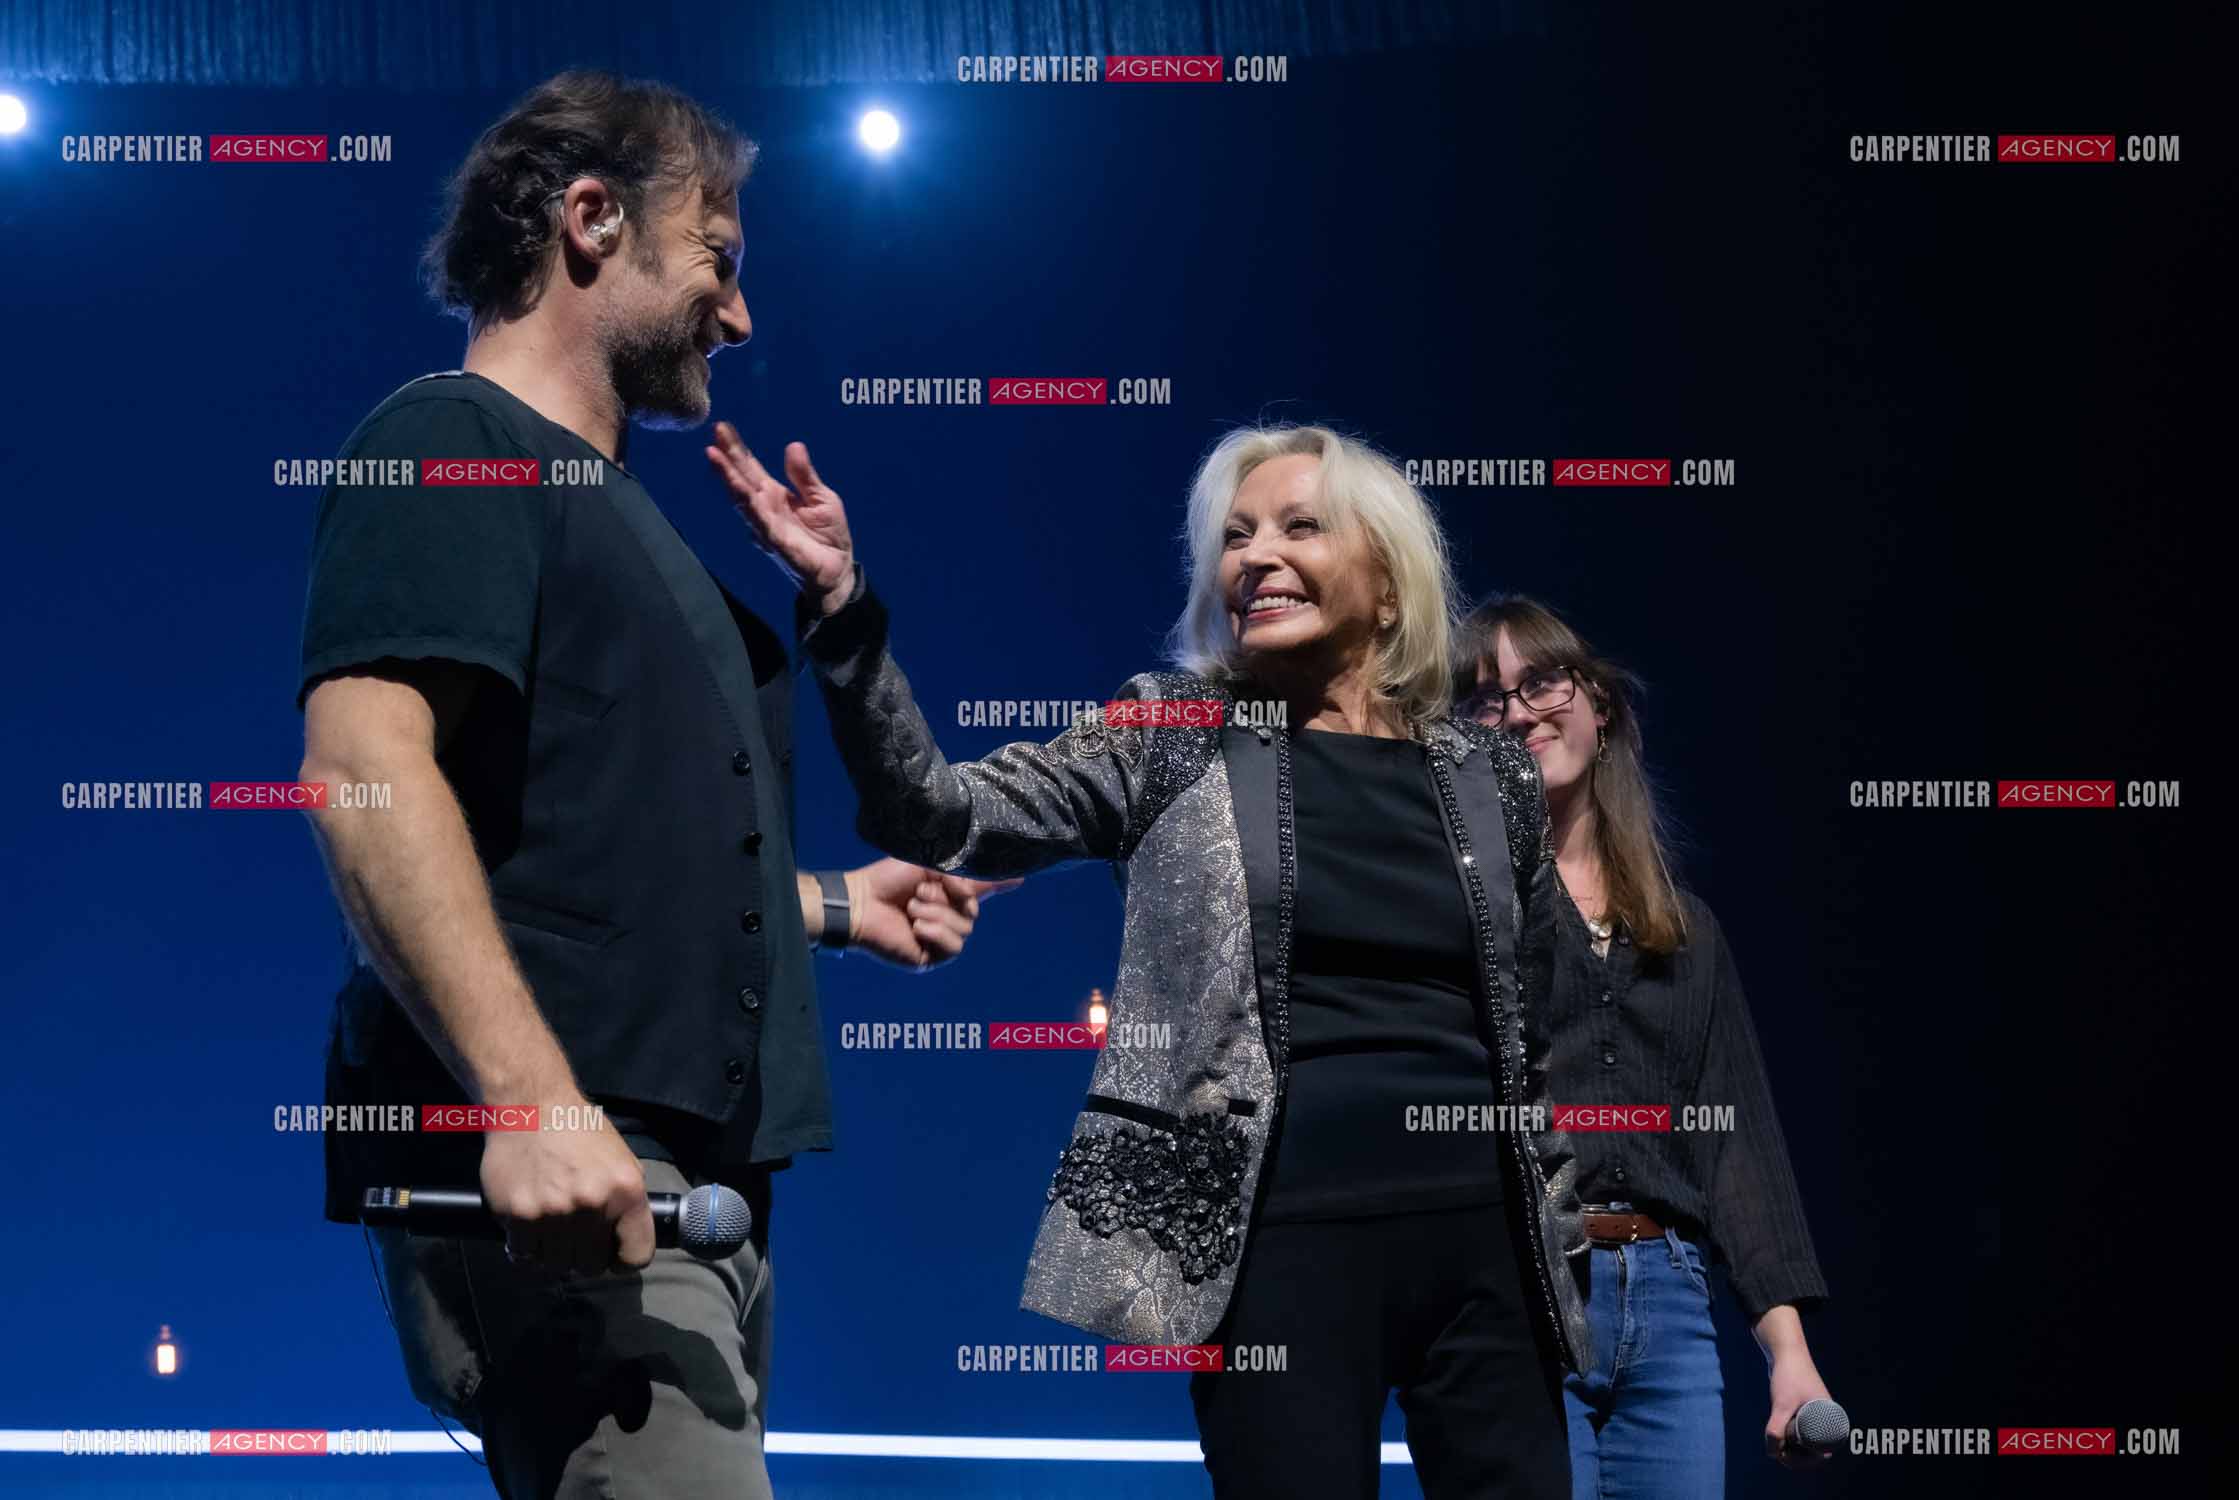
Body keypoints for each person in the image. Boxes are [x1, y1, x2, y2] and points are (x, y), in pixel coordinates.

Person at [295, 69, 1006, 1499]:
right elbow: (364, 772)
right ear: (590, 218)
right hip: (577, 1148)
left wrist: (825, 904)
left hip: (693, 1185)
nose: (739, 315)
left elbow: (594, 848)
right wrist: (525, 1105)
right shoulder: (452, 443)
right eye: (720, 259)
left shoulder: (611, 511)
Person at [711, 420, 1587, 1497]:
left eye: (1298, 527)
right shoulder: (1169, 734)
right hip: (1267, 1254)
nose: (1252, 556)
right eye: (1232, 537)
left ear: (1390, 580)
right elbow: (935, 812)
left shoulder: (1490, 777)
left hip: (1485, 1254)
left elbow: (1539, 1022)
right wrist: (844, 613)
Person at [1457, 594, 1833, 1497]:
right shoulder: (1462, 910)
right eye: (1484, 697)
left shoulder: (1685, 929)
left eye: (1539, 681)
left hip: (1668, 1304)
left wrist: (1790, 1356)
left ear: (1598, 703)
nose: (1516, 710)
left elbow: (1736, 1144)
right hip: (1521, 1288)